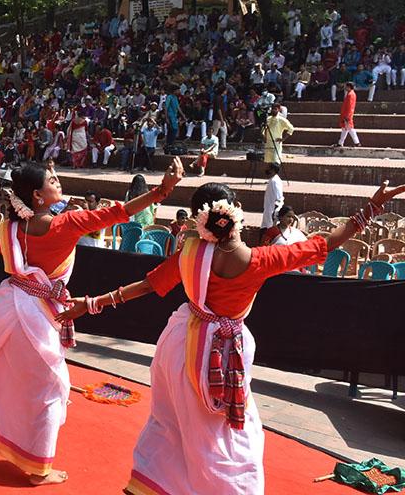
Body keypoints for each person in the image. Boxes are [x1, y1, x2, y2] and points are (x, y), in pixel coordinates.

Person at [61, 180, 405, 495]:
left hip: (180, 344)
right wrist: (370, 209)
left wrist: (92, 304)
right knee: (228, 436)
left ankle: (156, 482)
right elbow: (325, 243)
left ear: (201, 221)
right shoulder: (258, 260)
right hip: (221, 356)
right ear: (235, 214)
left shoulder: (190, 253)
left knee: (171, 420)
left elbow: (150, 284)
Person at [0, 158, 184, 486]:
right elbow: (120, 213)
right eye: (51, 178)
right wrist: (163, 190)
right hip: (38, 317)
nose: (57, 179)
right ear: (38, 197)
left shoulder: (9, 229)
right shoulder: (66, 224)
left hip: (6, 307)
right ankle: (38, 469)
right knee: (51, 390)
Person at [336, 82, 361, 147]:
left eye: (346, 86)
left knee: (349, 129)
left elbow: (350, 106)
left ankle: (357, 143)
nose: (345, 87)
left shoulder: (350, 95)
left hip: (347, 115)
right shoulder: (351, 94)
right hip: (347, 114)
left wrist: (347, 115)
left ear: (349, 87)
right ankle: (340, 142)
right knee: (345, 129)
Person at [261, 163, 284, 231]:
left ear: (273, 170)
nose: (266, 169)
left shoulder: (275, 181)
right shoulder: (272, 180)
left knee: (269, 230)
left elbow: (278, 198)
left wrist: (275, 212)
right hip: (268, 210)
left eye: (268, 168)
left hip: (272, 211)